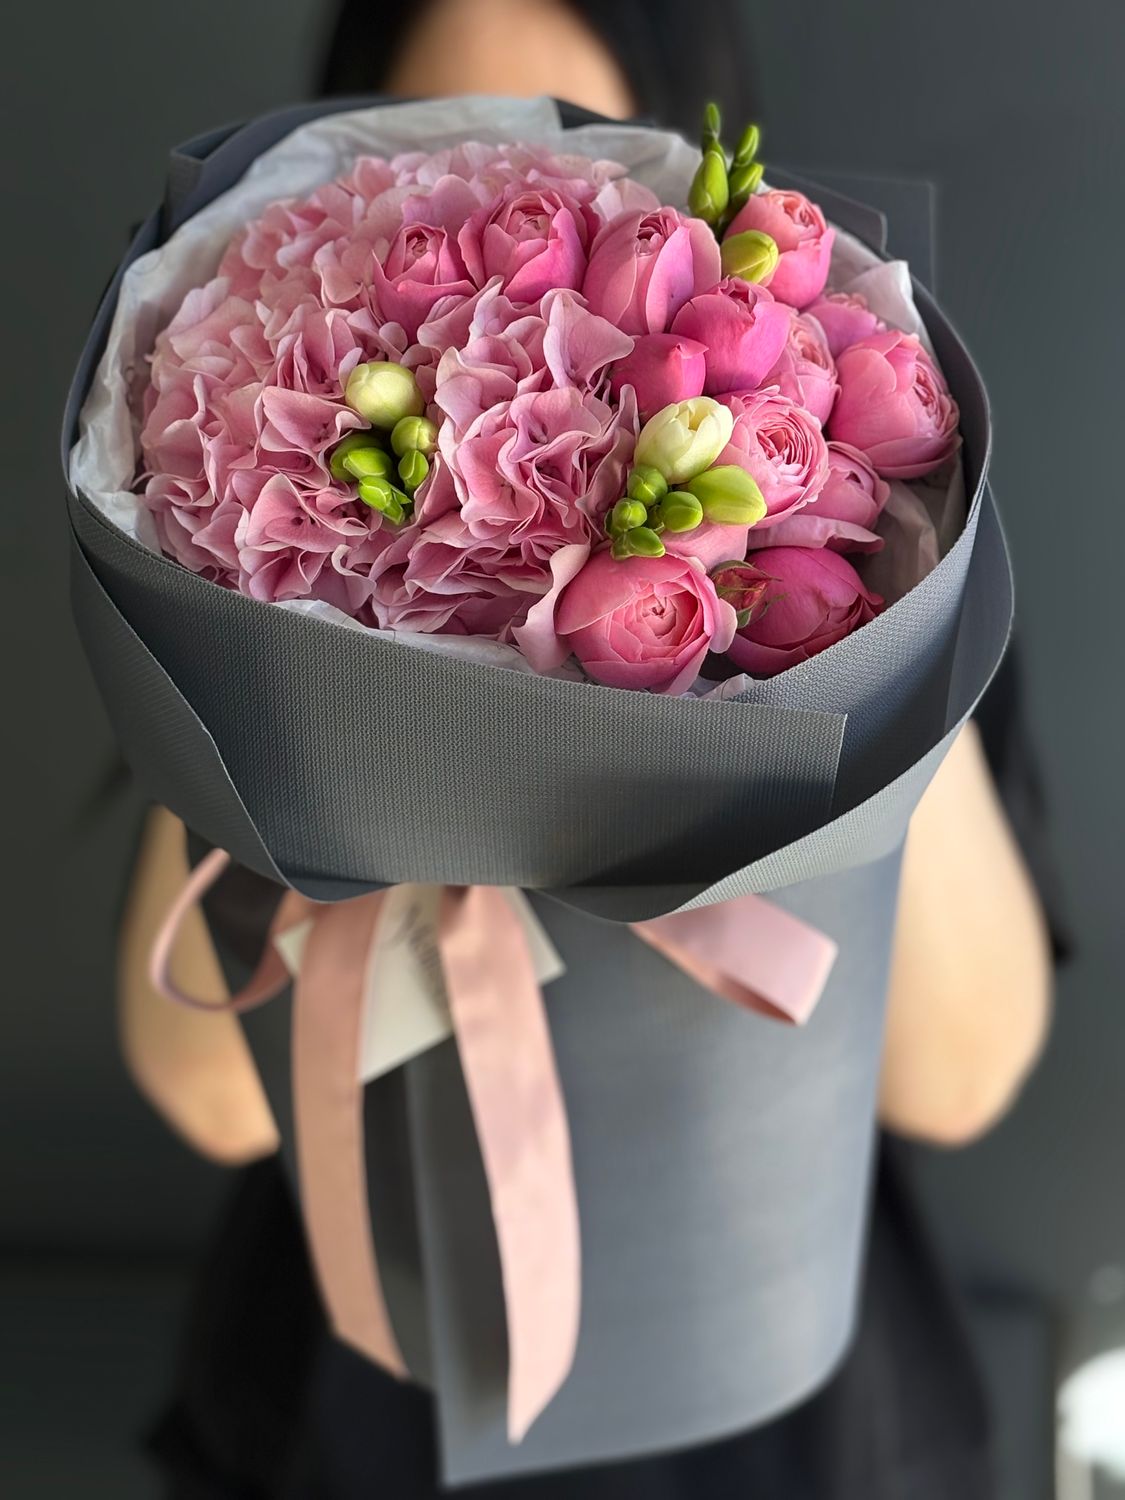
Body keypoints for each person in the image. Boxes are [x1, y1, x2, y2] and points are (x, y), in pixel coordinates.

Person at [120, 2, 1059, 1494]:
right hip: (359, 1394)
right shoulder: (245, 584)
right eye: (451, 150)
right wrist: (330, 679)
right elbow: (214, 1093)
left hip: (782, 1353)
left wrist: (870, 619)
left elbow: (957, 1075)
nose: (508, 195)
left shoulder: (863, 552)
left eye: (568, 149)